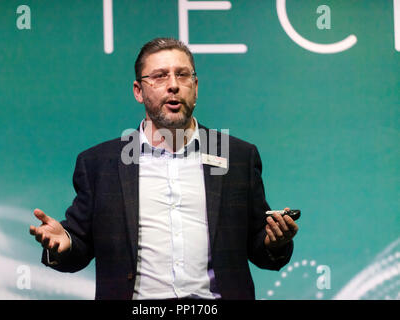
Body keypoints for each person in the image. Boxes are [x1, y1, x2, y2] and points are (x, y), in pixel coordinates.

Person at [29, 37, 299, 300]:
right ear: (138, 91)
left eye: (182, 75)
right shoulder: (100, 164)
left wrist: (275, 241)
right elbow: (78, 243)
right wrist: (62, 244)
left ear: (196, 86)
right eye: (159, 76)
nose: (173, 85)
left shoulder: (237, 157)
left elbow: (259, 245)